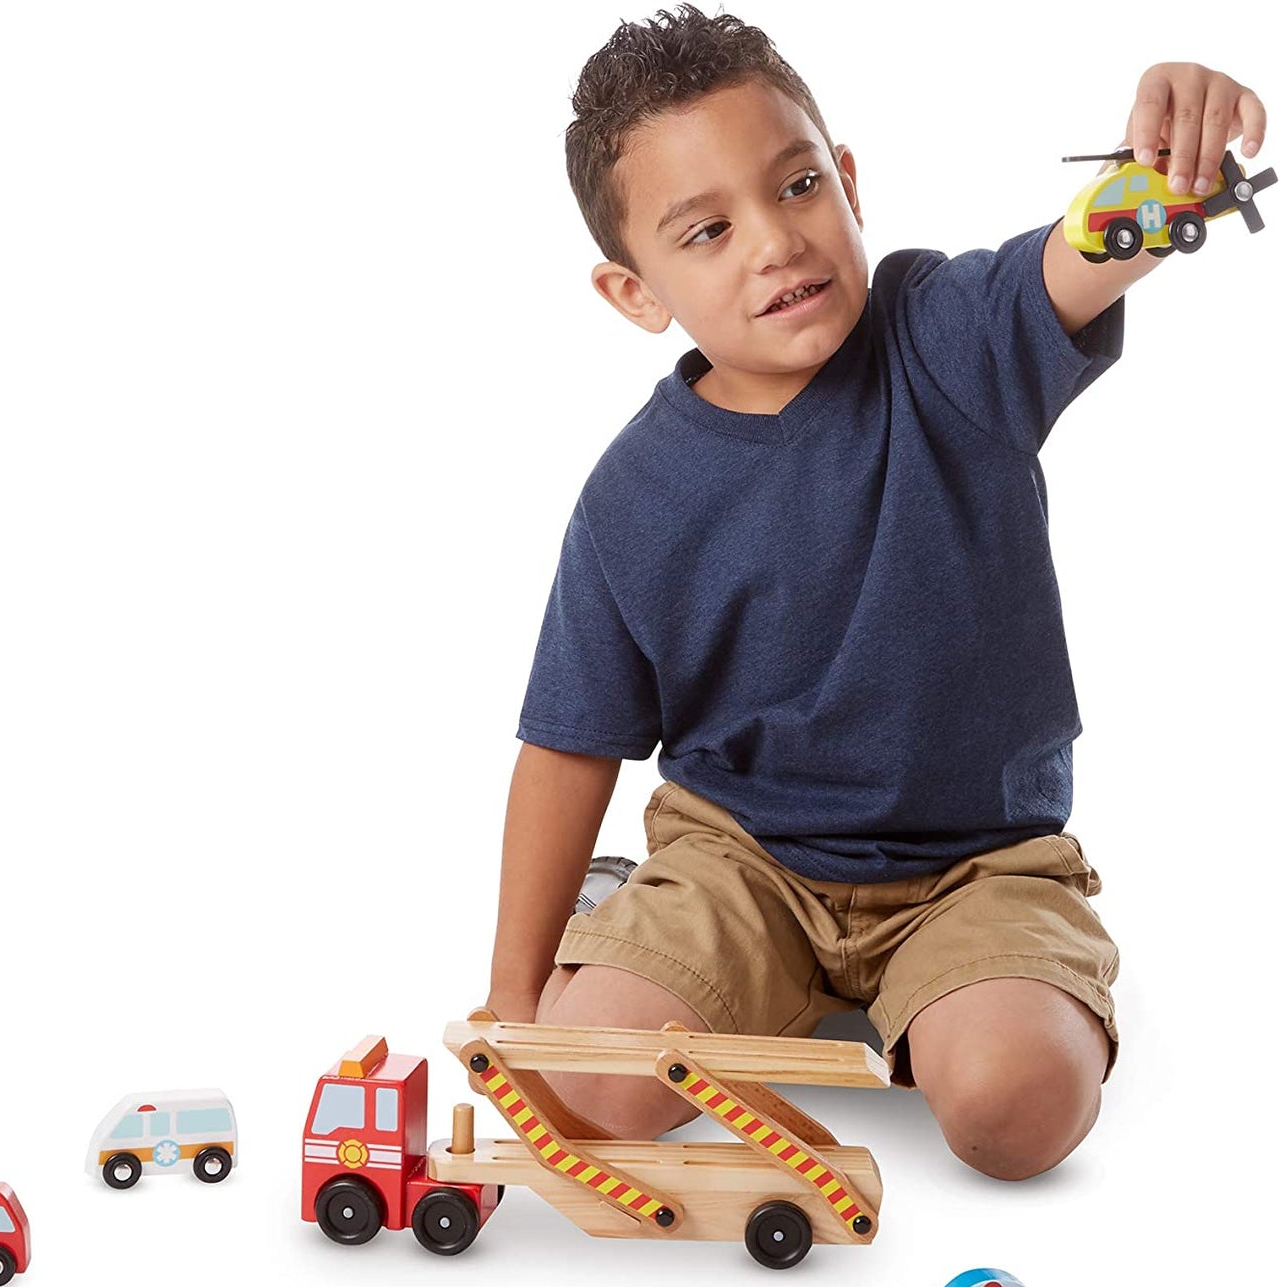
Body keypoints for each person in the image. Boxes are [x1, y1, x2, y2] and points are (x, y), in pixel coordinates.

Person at [485, 4, 1265, 1179]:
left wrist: (1158, 173)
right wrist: (511, 1002)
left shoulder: (943, 336)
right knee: (581, 1097)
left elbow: (1078, 257)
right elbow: (566, 744)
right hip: (739, 860)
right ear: (633, 292)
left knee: (1018, 1113)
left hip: (975, 864)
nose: (773, 242)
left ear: (845, 180)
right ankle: (646, 929)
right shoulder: (627, 498)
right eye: (705, 229)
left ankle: (976, 986)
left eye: (796, 186)